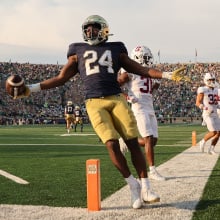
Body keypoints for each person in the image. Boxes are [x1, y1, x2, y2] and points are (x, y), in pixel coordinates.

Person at [12, 15, 187, 209]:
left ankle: (146, 186)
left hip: (116, 98)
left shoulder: (116, 48)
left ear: (104, 30)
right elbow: (61, 78)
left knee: (132, 141)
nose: (90, 32)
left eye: (94, 28)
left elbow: (140, 69)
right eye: (87, 29)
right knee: (111, 144)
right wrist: (30, 88)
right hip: (93, 102)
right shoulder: (76, 50)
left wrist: (167, 75)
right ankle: (133, 186)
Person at [118, 45, 166, 181]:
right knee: (149, 138)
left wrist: (156, 84)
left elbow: (151, 88)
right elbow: (115, 85)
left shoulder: (148, 71)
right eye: (145, 57)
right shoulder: (129, 72)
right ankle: (152, 170)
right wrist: (126, 96)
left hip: (149, 107)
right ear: (137, 58)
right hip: (138, 107)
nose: (148, 59)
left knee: (153, 141)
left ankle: (127, 141)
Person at [196, 72, 220, 155]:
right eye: (210, 80)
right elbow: (198, 102)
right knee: (213, 132)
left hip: (215, 113)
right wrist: (204, 107)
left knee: (219, 133)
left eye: (213, 80)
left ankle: (211, 149)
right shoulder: (203, 89)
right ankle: (202, 141)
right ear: (206, 80)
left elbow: (217, 102)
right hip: (207, 113)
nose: (212, 81)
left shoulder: (217, 90)